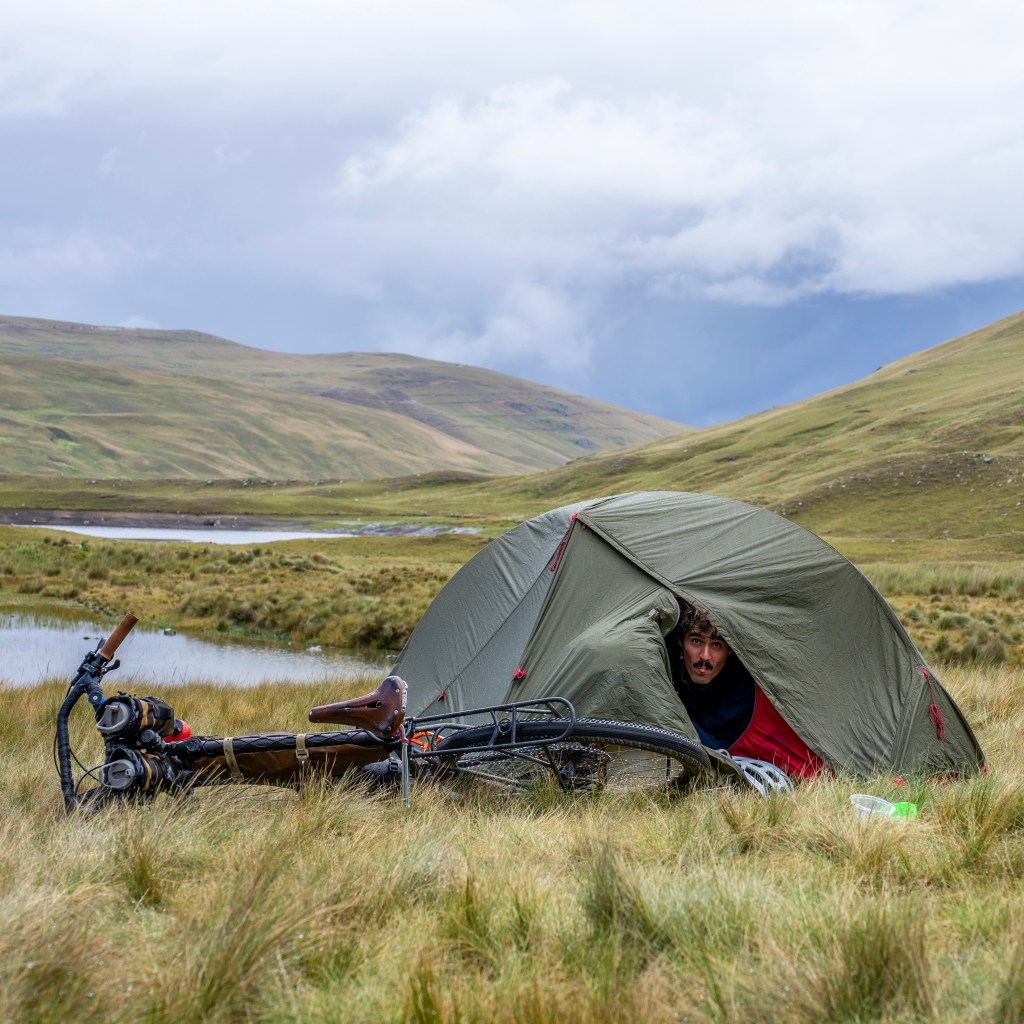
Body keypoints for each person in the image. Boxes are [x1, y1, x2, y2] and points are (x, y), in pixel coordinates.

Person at [668, 603, 755, 749]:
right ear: (680, 641)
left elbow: (726, 752)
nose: (705, 656)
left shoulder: (742, 693)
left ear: (730, 650)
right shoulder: (664, 667)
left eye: (716, 645)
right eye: (696, 641)